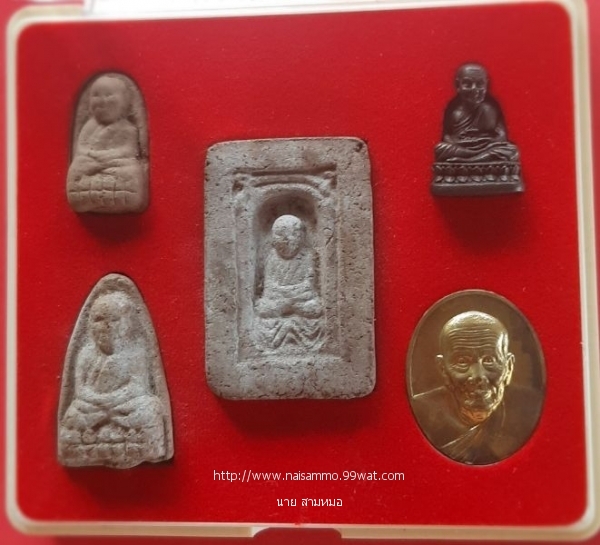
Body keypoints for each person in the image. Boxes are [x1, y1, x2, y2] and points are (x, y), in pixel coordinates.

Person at [59, 292, 168, 467]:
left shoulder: (137, 351)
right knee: (73, 414)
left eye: (114, 319)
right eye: (99, 319)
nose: (106, 326)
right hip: (92, 408)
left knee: (151, 407)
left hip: (125, 407)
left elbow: (138, 387)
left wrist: (112, 402)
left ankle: (132, 442)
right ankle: (105, 441)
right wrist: (102, 403)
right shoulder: (86, 353)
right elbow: (80, 390)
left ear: (127, 324)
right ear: (90, 323)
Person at [412, 311, 535, 464]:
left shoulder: (528, 410)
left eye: (489, 360)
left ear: (508, 367)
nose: (478, 376)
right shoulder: (423, 412)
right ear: (443, 369)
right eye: (462, 362)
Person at [67, 75, 145, 213]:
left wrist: (107, 157)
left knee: (132, 169)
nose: (102, 100)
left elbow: (128, 151)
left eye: (108, 95)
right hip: (91, 161)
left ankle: (121, 193)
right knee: (77, 167)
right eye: (96, 95)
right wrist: (91, 155)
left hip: (116, 163)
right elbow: (81, 147)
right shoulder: (89, 126)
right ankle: (84, 193)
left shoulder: (127, 128)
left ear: (124, 104)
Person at [255, 214, 323, 350]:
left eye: (292, 235)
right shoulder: (272, 258)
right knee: (262, 309)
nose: (285, 240)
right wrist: (289, 299)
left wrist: (287, 298)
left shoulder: (308, 256)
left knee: (315, 308)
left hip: (298, 302)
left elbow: (308, 288)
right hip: (283, 302)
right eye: (279, 235)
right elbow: (269, 289)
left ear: (300, 237)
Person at [434, 63, 520, 164]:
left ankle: (469, 160)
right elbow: (447, 136)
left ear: (486, 85)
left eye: (480, 84)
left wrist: (484, 141)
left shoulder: (490, 110)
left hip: (487, 147)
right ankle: (476, 158)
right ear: (458, 85)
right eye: (468, 84)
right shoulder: (454, 112)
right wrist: (464, 142)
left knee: (510, 150)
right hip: (464, 147)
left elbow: (502, 137)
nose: (474, 89)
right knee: (441, 149)